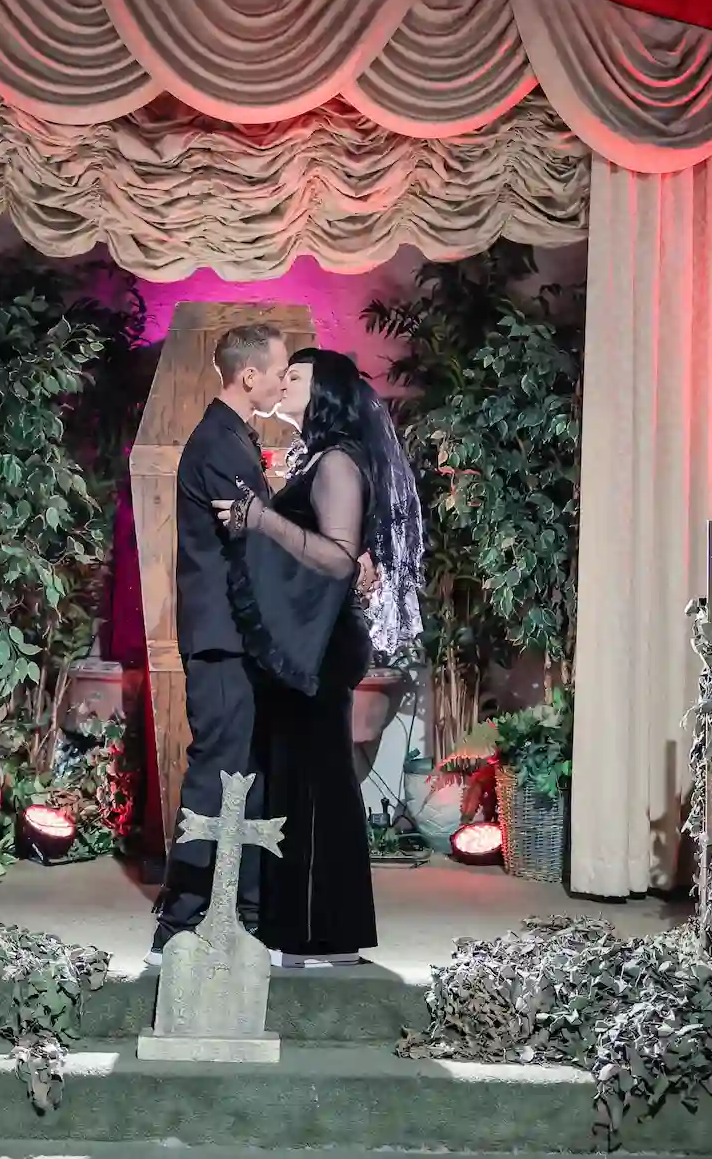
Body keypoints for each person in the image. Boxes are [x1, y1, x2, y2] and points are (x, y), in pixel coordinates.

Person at [214, 348, 423, 967]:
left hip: (323, 645)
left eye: (296, 376)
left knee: (319, 782)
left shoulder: (336, 462)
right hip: (309, 639)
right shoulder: (319, 459)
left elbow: (336, 555)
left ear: (323, 391)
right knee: (299, 780)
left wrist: (262, 520)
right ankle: (301, 931)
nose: (283, 382)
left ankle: (323, 936)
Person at [148, 322, 288, 963]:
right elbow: (250, 541)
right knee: (218, 773)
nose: (285, 381)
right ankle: (178, 920)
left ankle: (244, 908)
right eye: (280, 370)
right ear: (248, 374)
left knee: (243, 773)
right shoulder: (220, 444)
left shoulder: (231, 439)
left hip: (234, 637)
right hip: (224, 639)